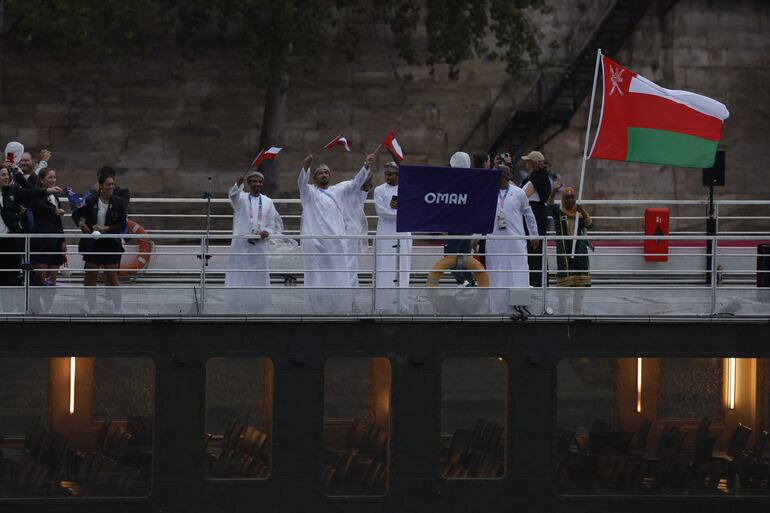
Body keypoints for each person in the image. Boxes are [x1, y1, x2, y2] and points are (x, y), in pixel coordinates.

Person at [298, 153, 374, 313]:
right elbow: (301, 183)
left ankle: (339, 307)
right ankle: (315, 310)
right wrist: (306, 167)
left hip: (336, 242)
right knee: (316, 277)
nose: (324, 175)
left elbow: (355, 184)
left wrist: (366, 166)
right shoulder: (310, 193)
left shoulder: (337, 191)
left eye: (326, 172)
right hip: (316, 243)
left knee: (338, 276)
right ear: (315, 178)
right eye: (320, 173)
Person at [0, 165, 60, 311]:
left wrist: (46, 190)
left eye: (7, 174)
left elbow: (30, 192)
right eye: (3, 175)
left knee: (10, 276)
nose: (6, 177)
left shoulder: (13, 190)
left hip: (10, 240)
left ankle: (8, 310)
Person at [485, 165, 539, 313]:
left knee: (519, 273)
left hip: (516, 241)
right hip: (495, 240)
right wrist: (476, 236)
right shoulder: (488, 192)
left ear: (505, 177)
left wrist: (534, 235)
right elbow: (480, 215)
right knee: (496, 273)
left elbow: (529, 214)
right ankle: (496, 309)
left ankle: (520, 307)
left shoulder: (518, 193)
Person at [225, 169, 280, 313]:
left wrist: (266, 232)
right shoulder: (241, 198)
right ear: (249, 183)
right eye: (254, 181)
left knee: (259, 276)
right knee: (240, 274)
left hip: (259, 247)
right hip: (241, 246)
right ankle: (238, 305)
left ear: (262, 184)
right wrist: (238, 183)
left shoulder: (268, 201)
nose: (257, 184)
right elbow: (232, 195)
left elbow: (272, 224)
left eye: (259, 182)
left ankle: (258, 305)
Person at [72, 173, 128, 313]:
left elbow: (122, 225)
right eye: (108, 184)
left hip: (110, 243)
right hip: (93, 243)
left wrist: (106, 228)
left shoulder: (119, 202)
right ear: (101, 186)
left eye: (113, 184)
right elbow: (76, 213)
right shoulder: (90, 200)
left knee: (112, 276)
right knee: (91, 275)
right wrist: (81, 224)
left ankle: (118, 308)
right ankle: (91, 307)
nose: (111, 187)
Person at [373, 161, 411, 313]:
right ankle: (384, 304)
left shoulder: (407, 190)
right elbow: (380, 211)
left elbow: (411, 210)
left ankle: (402, 304)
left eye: (390, 174)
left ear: (397, 174)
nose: (387, 177)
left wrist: (400, 210)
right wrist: (399, 212)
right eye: (386, 174)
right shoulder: (379, 190)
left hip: (403, 232)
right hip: (386, 233)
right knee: (385, 265)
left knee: (403, 265)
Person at [27, 168, 66, 311]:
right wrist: (54, 210)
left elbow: (58, 221)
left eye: (54, 177)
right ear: (42, 179)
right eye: (50, 177)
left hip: (55, 240)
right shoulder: (37, 194)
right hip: (41, 240)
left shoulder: (55, 196)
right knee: (41, 277)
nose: (53, 180)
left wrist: (63, 239)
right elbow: (39, 206)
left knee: (53, 277)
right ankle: (36, 305)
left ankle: (48, 306)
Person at [520, 151, 552, 288]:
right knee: (535, 249)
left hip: (535, 215)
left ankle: (536, 280)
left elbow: (522, 196)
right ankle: (536, 279)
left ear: (532, 163)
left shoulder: (537, 178)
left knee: (534, 248)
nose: (526, 164)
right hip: (537, 214)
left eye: (528, 161)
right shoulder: (539, 177)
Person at [445, 151, 475, 286]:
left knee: (450, 254)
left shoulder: (452, 182)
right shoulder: (472, 181)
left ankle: (462, 280)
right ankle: (469, 281)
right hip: (467, 224)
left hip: (455, 224)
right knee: (465, 254)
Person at [553, 187, 593, 287]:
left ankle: (578, 296)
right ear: (563, 199)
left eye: (572, 197)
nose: (570, 200)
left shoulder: (579, 212)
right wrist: (553, 192)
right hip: (565, 245)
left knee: (579, 273)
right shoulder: (559, 213)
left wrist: (582, 211)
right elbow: (549, 207)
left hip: (578, 245)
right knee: (565, 273)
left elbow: (589, 225)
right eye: (567, 198)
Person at [343, 174, 373, 288]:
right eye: (367, 184)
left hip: (353, 233)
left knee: (352, 264)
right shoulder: (347, 187)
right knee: (345, 263)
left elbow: (359, 209)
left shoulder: (361, 192)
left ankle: (351, 292)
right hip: (342, 231)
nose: (368, 187)